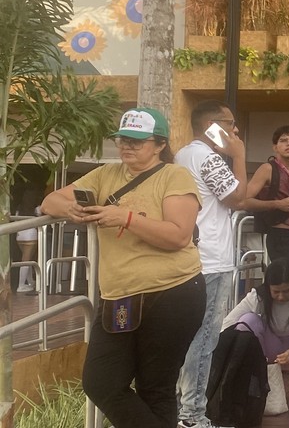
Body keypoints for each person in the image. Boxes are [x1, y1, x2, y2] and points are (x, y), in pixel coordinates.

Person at [40, 107, 205, 428]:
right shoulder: (106, 174)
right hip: (120, 296)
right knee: (100, 382)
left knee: (155, 387)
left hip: (173, 294)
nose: (127, 146)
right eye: (123, 139)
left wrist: (125, 218)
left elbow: (178, 235)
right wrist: (71, 209)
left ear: (159, 145)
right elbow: (50, 201)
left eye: (137, 141)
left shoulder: (175, 176)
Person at [175, 100, 249, 428]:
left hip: (190, 259)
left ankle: (181, 410)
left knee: (188, 337)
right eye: (229, 124)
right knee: (205, 339)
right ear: (212, 127)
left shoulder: (182, 156)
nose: (235, 130)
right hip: (212, 261)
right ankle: (193, 417)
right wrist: (240, 156)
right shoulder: (207, 157)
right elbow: (237, 197)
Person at [244, 124, 289, 276]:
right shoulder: (267, 169)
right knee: (288, 280)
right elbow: (244, 200)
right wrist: (278, 204)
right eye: (283, 140)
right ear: (275, 147)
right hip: (279, 234)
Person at [223, 257, 289, 363]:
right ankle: (259, 365)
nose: (281, 297)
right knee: (247, 320)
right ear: (268, 288)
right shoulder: (258, 297)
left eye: (286, 291)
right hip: (271, 347)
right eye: (276, 292)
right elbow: (229, 322)